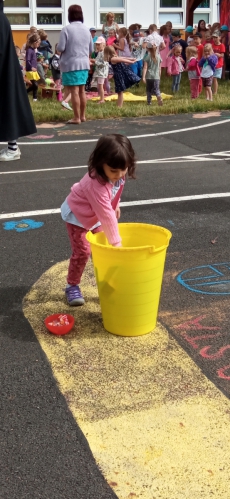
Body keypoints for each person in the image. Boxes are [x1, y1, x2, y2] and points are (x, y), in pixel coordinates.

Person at [61, 134, 136, 306]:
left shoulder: (118, 173)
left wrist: (115, 205)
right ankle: (72, 285)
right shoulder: (95, 184)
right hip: (78, 216)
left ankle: (107, 283)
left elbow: (115, 192)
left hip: (96, 214)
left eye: (123, 169)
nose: (119, 174)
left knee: (102, 250)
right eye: (114, 171)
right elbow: (106, 216)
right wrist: (117, 245)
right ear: (101, 163)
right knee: (83, 252)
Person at [0, 0, 36, 161]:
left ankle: (13, 148)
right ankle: (12, 147)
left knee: (9, 107)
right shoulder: (2, 18)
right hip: (6, 71)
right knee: (8, 107)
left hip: (4, 72)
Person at [57, 4, 93, 124]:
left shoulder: (66, 29)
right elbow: (91, 49)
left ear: (69, 15)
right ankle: (82, 116)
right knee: (82, 91)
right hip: (84, 64)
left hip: (71, 64)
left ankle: (76, 118)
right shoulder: (86, 30)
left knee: (74, 92)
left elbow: (61, 47)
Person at [92, 37, 109, 104]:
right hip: (99, 72)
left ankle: (102, 100)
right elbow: (97, 60)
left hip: (102, 72)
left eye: (99, 44)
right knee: (99, 86)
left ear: (104, 45)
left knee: (101, 86)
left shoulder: (104, 53)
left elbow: (103, 63)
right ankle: (101, 97)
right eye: (96, 44)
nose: (97, 46)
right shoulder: (100, 52)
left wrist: (95, 61)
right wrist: (93, 61)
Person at [25, 33, 41, 102]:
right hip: (30, 70)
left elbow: (33, 59)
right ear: (35, 42)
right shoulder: (29, 50)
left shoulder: (33, 50)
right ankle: (32, 96)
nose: (38, 45)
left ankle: (34, 98)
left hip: (33, 70)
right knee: (35, 84)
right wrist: (31, 67)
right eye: (38, 44)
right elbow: (28, 60)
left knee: (35, 85)